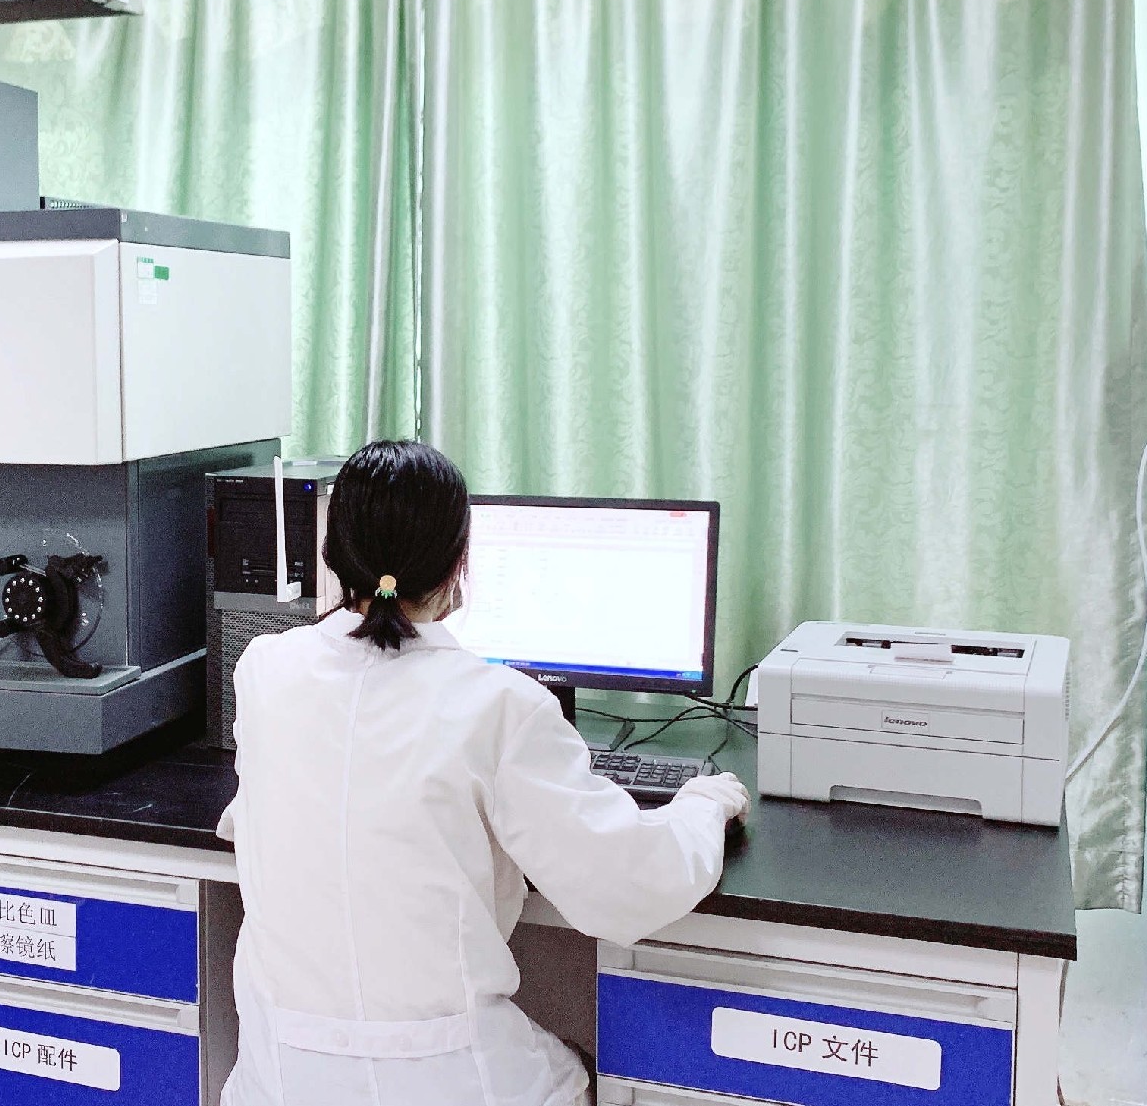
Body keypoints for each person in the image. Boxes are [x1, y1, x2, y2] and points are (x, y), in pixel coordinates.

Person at [218, 440, 749, 1106]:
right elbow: (627, 881)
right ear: (459, 562)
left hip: (283, 1081)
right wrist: (703, 805)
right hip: (448, 1084)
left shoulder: (263, 668)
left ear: (333, 549)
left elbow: (268, 809)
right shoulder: (499, 705)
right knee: (587, 1068)